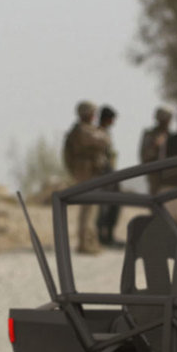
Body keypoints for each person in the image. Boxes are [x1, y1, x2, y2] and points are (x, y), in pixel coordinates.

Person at [63, 100, 110, 254]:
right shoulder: (83, 130)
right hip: (86, 172)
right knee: (88, 208)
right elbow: (103, 140)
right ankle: (85, 243)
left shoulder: (82, 130)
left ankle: (89, 241)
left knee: (90, 208)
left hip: (89, 171)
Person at [95, 105, 122, 247]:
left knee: (114, 203)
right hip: (103, 174)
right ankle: (102, 236)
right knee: (104, 205)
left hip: (109, 172)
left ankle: (109, 235)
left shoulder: (104, 133)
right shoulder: (98, 134)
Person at [139, 105, 172, 194]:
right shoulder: (150, 135)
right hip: (154, 172)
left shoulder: (171, 135)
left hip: (170, 175)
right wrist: (155, 146)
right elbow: (144, 155)